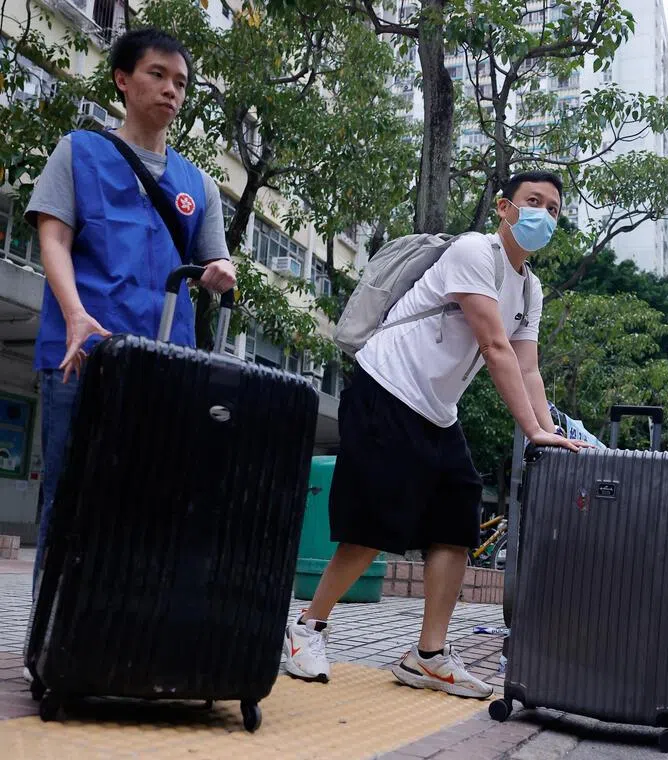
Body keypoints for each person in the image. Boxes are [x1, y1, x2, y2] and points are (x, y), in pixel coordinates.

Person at [283, 171, 589, 699]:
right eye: (532, 201)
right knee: (375, 523)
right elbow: (494, 347)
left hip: (436, 411)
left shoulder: (529, 287)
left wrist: (550, 431)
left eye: (553, 209)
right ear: (504, 208)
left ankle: (427, 656)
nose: (542, 214)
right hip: (386, 386)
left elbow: (528, 368)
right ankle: (307, 628)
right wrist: (533, 432)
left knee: (456, 521)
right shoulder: (474, 252)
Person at [24, 27, 236, 587]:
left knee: (150, 502)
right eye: (157, 75)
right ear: (123, 79)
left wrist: (222, 271)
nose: (171, 90)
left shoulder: (199, 185)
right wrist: (74, 313)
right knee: (71, 499)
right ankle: (53, 631)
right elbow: (53, 239)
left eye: (181, 83)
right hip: (82, 355)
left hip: (168, 365)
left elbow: (217, 262)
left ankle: (125, 626)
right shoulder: (79, 152)